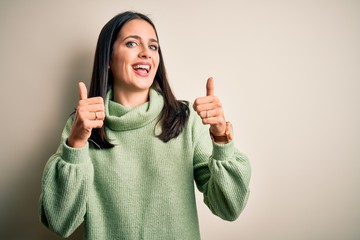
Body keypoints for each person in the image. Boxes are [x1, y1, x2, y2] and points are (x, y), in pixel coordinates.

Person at [39, 11, 251, 240]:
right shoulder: (83, 126)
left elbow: (229, 207)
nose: (146, 54)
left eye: (153, 47)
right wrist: (76, 144)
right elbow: (59, 222)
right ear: (108, 59)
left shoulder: (186, 119)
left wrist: (221, 137)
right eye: (132, 43)